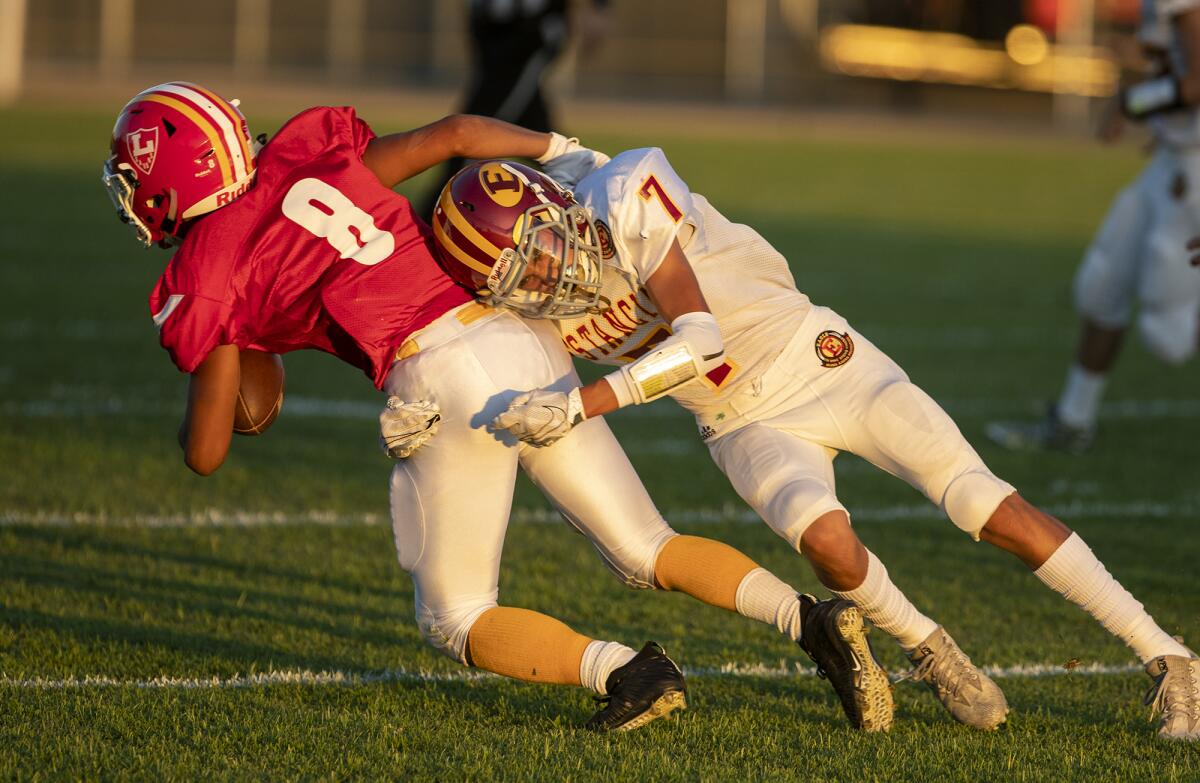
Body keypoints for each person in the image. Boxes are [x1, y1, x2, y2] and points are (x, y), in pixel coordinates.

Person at [101, 81, 893, 733]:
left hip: (441, 378)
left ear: (174, 182)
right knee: (648, 546)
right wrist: (555, 148)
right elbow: (452, 133)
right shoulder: (307, 154)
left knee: (455, 615)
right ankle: (812, 619)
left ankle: (627, 669)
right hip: (523, 338)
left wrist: (213, 364)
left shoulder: (205, 268)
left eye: (136, 180)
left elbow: (207, 449)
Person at [431, 147, 1200, 740]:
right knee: (827, 545)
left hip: (817, 355)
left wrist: (584, 401)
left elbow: (696, 336)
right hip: (740, 420)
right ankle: (929, 646)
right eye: (515, 274)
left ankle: (1166, 653)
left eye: (534, 250)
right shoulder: (536, 314)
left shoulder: (618, 194)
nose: (540, 274)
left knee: (978, 499)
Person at [987, 0, 1200, 453]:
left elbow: (1198, 83)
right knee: (1102, 283)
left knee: (1169, 336)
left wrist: (1132, 102)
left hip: (1194, 172)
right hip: (1171, 160)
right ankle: (1074, 421)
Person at [417, 0, 610, 219]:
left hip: (528, 29)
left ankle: (436, 218)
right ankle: (593, 190)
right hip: (491, 26)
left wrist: (599, 8)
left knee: (478, 129)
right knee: (531, 125)